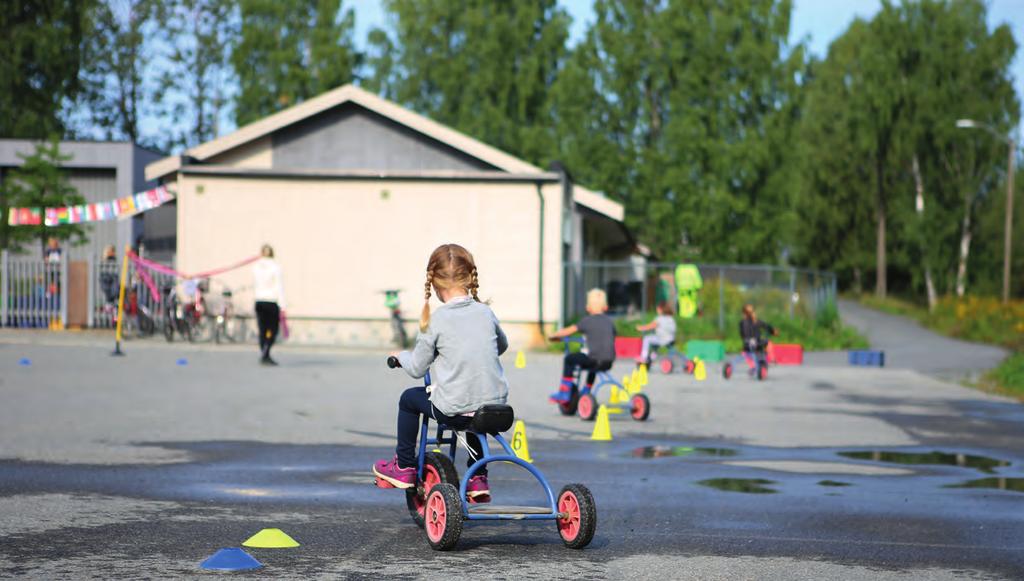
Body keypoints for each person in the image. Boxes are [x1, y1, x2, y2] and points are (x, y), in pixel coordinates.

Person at [373, 244, 509, 503]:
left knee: (409, 400)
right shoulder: (486, 312)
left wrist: (400, 356)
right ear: (470, 277)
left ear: (434, 284)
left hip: (455, 409)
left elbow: (417, 368)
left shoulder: (436, 320)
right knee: (474, 409)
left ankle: (404, 466)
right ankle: (478, 477)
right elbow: (501, 345)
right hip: (495, 408)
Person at [548, 288, 616, 404]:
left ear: (588, 307)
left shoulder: (587, 321)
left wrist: (553, 336)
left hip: (594, 360)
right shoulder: (610, 322)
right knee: (594, 366)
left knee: (569, 359)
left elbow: (568, 331)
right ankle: (587, 390)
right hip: (608, 362)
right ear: (605, 307)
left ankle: (564, 393)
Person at [252, 244, 286, 366]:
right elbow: (279, 286)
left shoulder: (256, 267)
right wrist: (283, 305)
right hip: (271, 301)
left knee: (262, 329)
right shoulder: (276, 267)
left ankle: (264, 352)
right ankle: (266, 353)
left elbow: (255, 283)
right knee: (272, 329)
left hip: (259, 300)